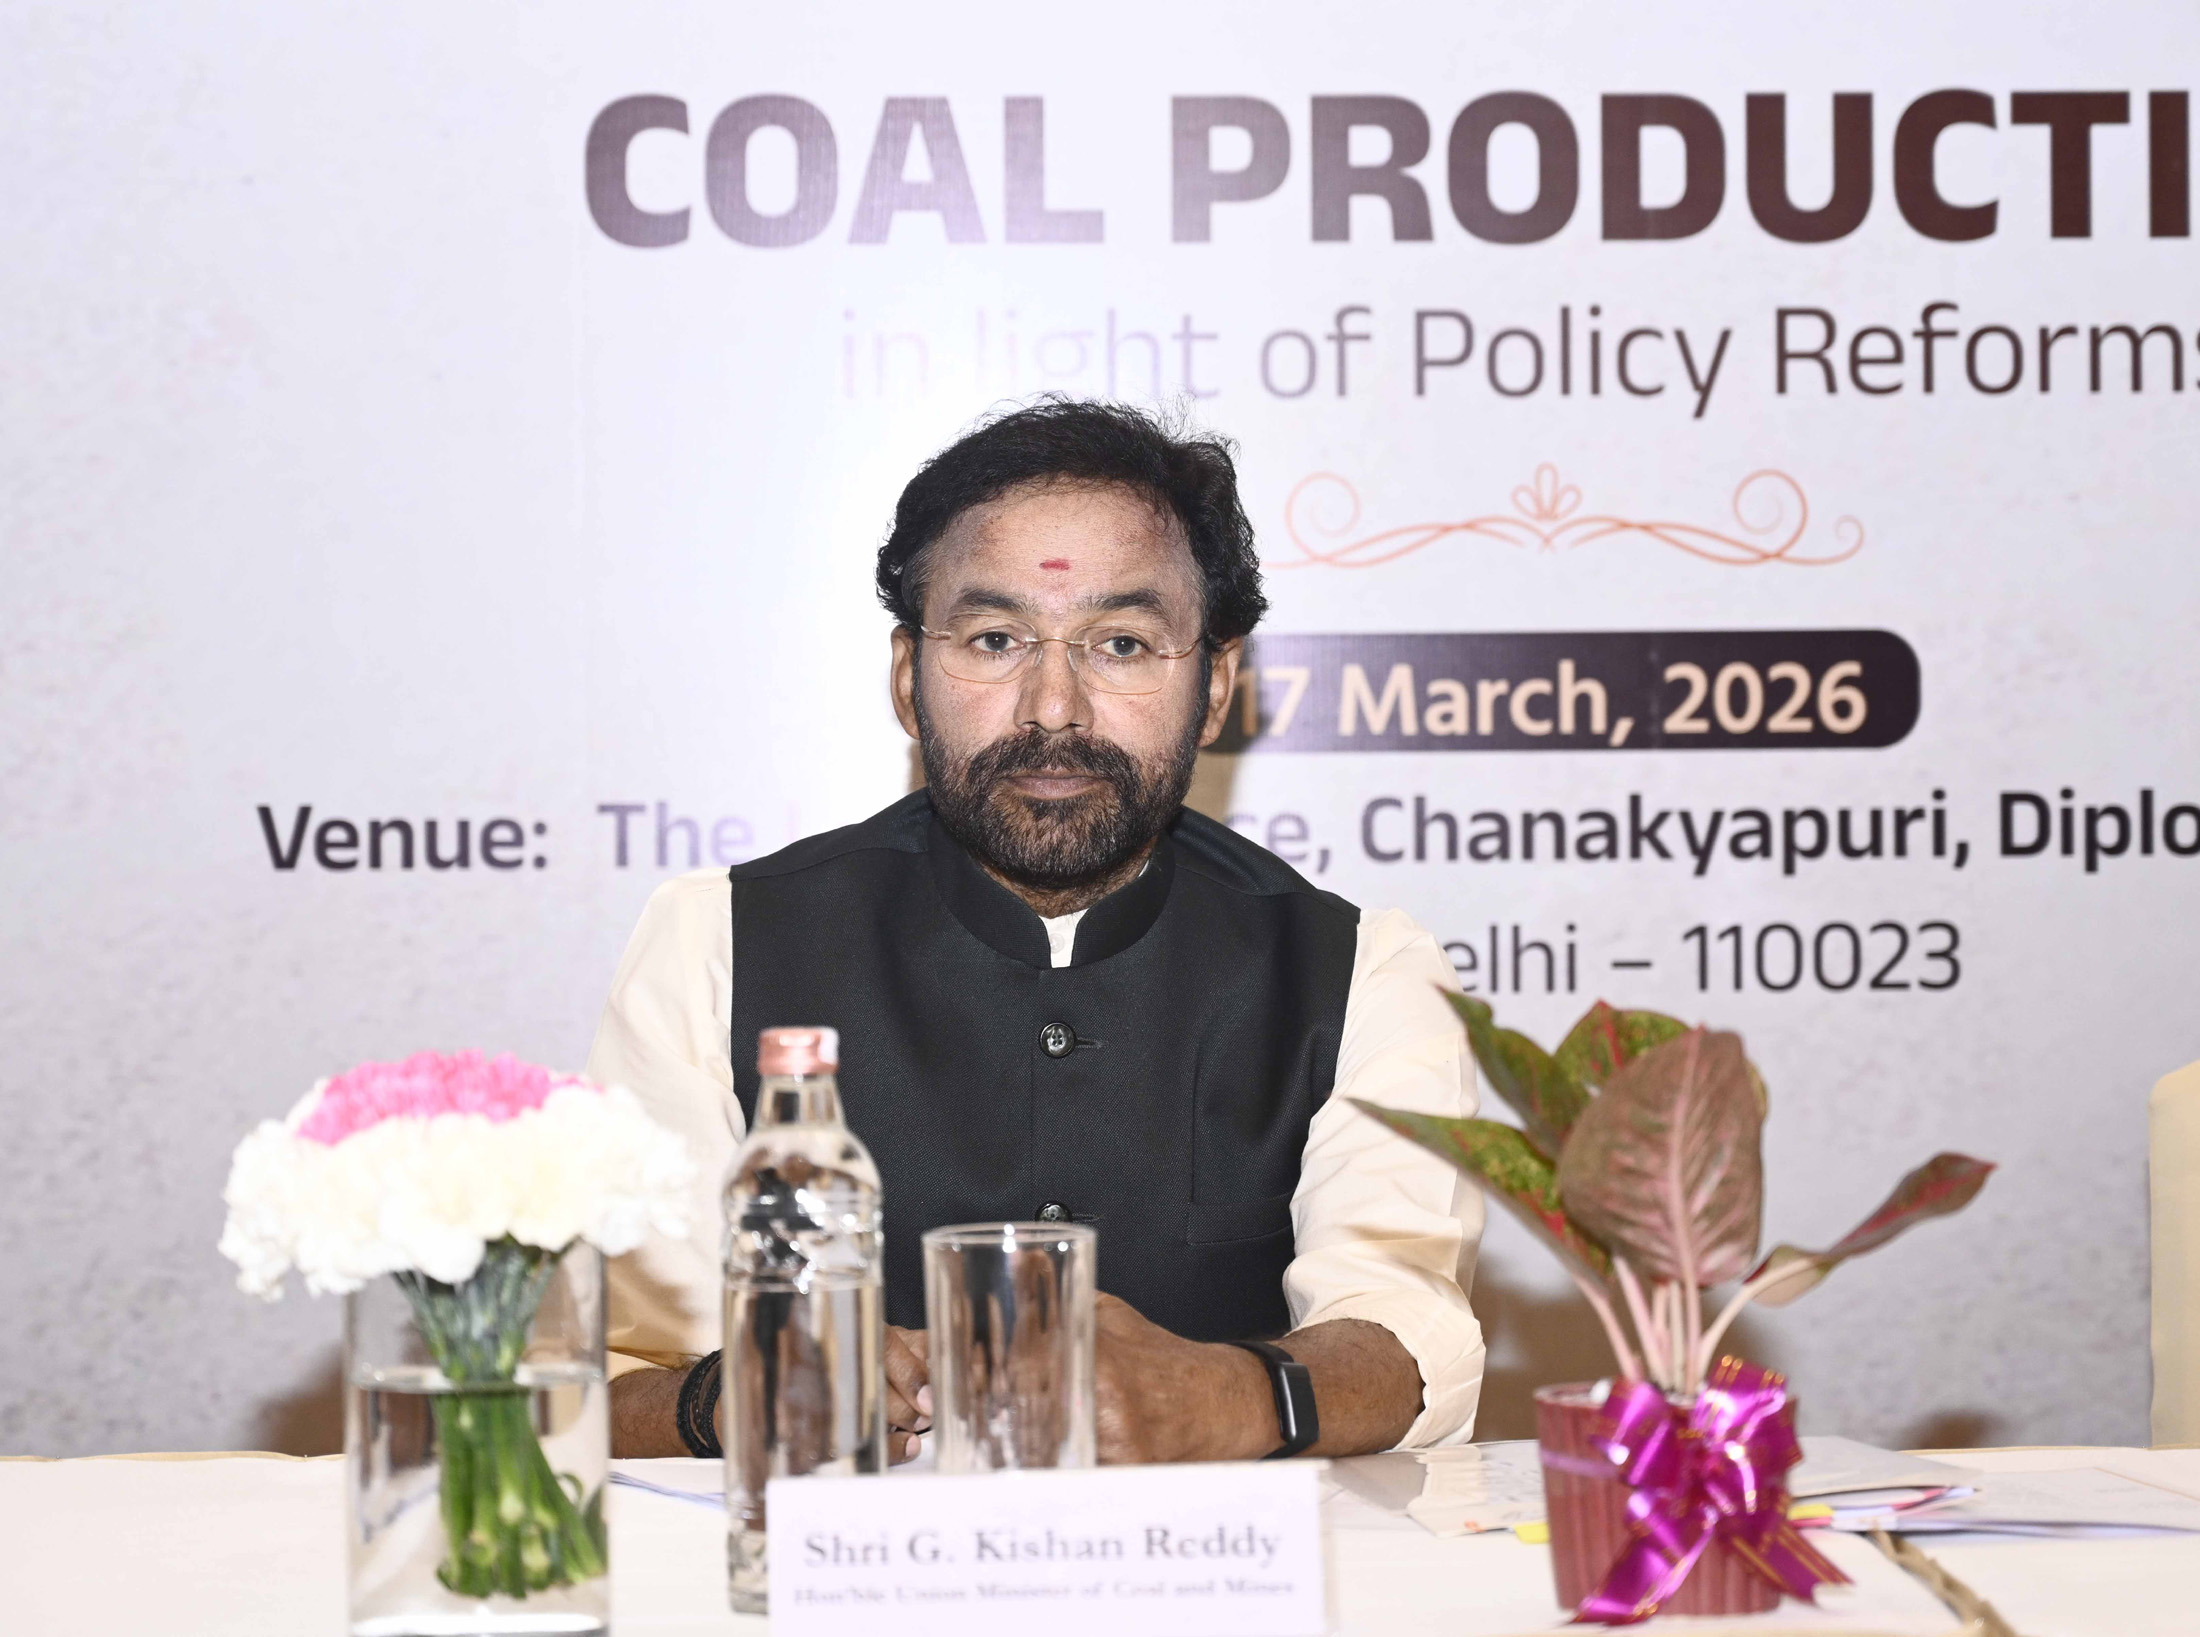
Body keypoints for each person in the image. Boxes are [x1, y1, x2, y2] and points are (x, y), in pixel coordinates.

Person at [589, 397, 1485, 1463]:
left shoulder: (1359, 973)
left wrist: (1230, 1396)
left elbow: (1406, 1331)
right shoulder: (719, 944)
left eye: (1122, 643)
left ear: (1216, 689)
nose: (1053, 706)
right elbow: (607, 1372)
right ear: (906, 678)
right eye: (995, 639)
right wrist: (732, 1392)